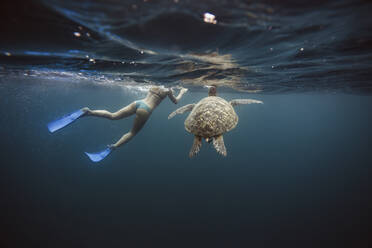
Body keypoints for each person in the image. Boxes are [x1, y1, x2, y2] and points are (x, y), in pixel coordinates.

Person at [82, 86, 188, 150]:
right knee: (132, 132)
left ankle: (90, 112)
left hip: (138, 102)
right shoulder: (168, 90)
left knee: (113, 115)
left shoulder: (155, 84)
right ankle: (115, 146)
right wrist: (182, 92)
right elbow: (176, 101)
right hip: (146, 110)